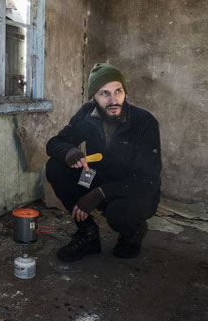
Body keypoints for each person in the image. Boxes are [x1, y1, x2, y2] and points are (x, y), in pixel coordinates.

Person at [45, 63, 161, 261]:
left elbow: (149, 181)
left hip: (133, 190)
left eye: (118, 91)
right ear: (93, 97)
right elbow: (54, 144)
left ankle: (132, 232)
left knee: (120, 214)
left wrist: (101, 193)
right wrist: (70, 151)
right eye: (104, 93)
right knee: (55, 167)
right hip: (96, 178)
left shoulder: (144, 122)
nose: (113, 100)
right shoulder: (87, 114)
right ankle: (87, 232)